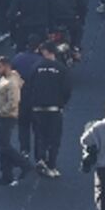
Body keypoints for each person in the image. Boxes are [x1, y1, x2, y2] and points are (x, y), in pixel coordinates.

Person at [24, 39, 73, 176]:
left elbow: (28, 86)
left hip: (37, 108)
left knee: (39, 135)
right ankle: (52, 165)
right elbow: (67, 89)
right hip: (54, 108)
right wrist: (62, 103)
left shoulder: (35, 67)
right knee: (54, 138)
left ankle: (40, 159)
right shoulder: (61, 68)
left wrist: (32, 102)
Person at [0, 56, 33, 186]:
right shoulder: (11, 77)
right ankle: (6, 175)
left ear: (6, 66)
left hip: (6, 117)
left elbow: (14, 102)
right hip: (3, 116)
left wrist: (1, 111)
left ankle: (24, 164)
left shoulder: (11, 83)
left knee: (4, 147)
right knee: (2, 148)